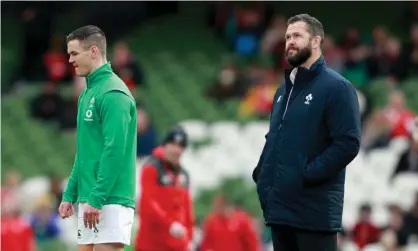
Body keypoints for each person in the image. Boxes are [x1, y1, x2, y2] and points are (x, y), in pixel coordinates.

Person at [252, 14, 361, 251]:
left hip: (313, 214)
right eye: (288, 36)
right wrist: (262, 177)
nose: (290, 41)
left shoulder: (337, 87)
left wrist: (306, 175)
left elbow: (348, 143)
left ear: (315, 41)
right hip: (280, 214)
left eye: (297, 36)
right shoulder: (282, 91)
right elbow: (274, 140)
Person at [58, 25, 137, 251]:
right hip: (91, 198)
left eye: (74, 54)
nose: (70, 60)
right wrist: (70, 194)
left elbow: (114, 149)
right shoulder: (87, 94)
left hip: (109, 198)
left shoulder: (113, 93)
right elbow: (84, 152)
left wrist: (97, 197)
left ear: (93, 51)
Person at [135, 126, 194, 251]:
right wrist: (170, 224)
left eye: (180, 146)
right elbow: (148, 203)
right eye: (173, 144)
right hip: (152, 244)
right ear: (165, 145)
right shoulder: (152, 168)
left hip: (177, 245)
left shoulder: (183, 175)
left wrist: (189, 238)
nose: (176, 150)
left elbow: (187, 209)